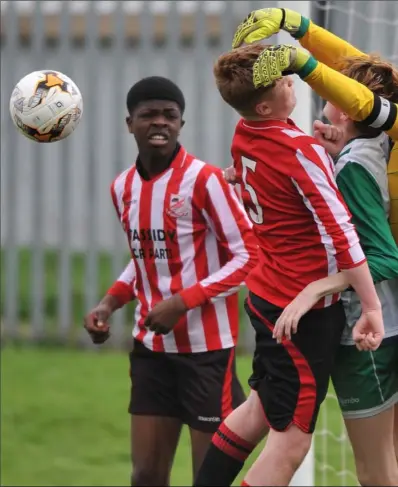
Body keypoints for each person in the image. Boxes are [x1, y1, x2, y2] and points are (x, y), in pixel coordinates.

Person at [194, 44, 384, 487]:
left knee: (258, 409)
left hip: (266, 294)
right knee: (292, 443)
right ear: (265, 104)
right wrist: (371, 307)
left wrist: (321, 154)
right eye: (282, 81)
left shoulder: (245, 131)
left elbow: (277, 181)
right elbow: (342, 234)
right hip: (300, 314)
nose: (292, 81)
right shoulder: (301, 151)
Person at [83, 76, 258, 486]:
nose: (159, 122)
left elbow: (251, 255)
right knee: (145, 475)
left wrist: (183, 301)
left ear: (181, 123)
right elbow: (145, 260)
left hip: (208, 354)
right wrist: (109, 304)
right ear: (130, 123)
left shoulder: (206, 180)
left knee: (208, 478)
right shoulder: (122, 188)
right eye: (148, 115)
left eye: (169, 115)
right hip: (152, 350)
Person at [231, 6, 398, 245]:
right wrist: (297, 25)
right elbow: (358, 71)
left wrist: (305, 65)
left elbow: (365, 102)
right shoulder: (363, 148)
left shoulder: (358, 162)